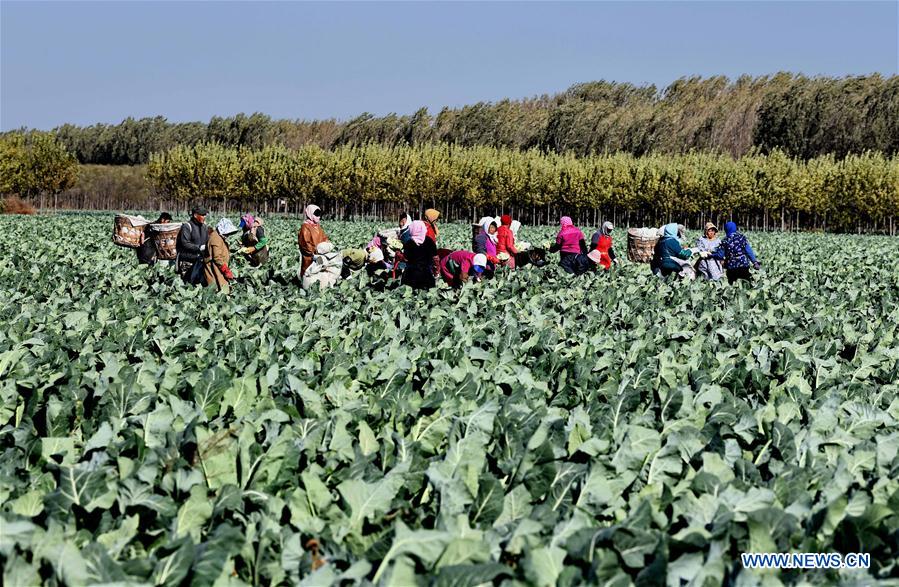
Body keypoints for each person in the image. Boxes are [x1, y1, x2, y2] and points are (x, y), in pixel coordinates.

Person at [176, 206, 210, 284]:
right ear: (195, 215)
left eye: (205, 215)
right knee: (187, 284)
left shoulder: (204, 227)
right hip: (188, 261)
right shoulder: (187, 226)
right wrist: (199, 247)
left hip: (200, 260)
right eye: (202, 215)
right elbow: (185, 243)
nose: (204, 217)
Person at [204, 218, 239, 293]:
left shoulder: (218, 236)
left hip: (219, 267)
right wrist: (225, 270)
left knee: (221, 289)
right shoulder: (216, 238)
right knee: (219, 289)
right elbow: (217, 257)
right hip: (215, 268)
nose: (228, 235)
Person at [401, 220, 438, 290]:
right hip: (427, 276)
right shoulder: (429, 241)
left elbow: (406, 259)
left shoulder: (409, 243)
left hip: (410, 276)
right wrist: (436, 272)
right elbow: (435, 259)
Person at [298, 204, 328, 277]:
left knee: (318, 275)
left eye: (319, 215)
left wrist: (327, 246)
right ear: (310, 214)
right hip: (310, 257)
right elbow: (305, 244)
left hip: (319, 254)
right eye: (316, 214)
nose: (319, 217)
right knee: (308, 275)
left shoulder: (317, 226)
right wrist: (314, 253)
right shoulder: (305, 227)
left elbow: (324, 238)